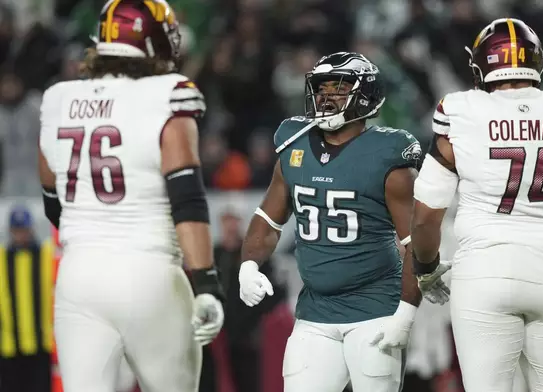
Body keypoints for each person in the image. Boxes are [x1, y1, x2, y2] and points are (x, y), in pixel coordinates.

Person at [410, 18, 543, 392]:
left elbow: (427, 215)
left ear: (479, 64)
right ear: (538, 61)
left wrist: (426, 268)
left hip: (484, 273)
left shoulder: (462, 110)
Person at [37, 1, 225, 391]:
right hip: (149, 273)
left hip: (79, 276)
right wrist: (206, 283)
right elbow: (187, 200)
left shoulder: (58, 99)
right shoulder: (169, 93)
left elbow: (52, 200)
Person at [238, 51, 430, 392]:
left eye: (339, 89)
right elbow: (269, 218)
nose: (327, 96)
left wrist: (406, 313)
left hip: (375, 309)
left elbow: (413, 246)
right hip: (314, 311)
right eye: (322, 88)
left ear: (366, 96)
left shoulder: (388, 154)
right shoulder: (294, 142)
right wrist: (248, 265)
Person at [0, 206, 54, 392]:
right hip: (8, 347)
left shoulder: (46, 256)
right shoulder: (1, 258)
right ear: (10, 231)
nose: (21, 235)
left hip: (41, 346)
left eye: (24, 230)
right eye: (17, 230)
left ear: (31, 229)